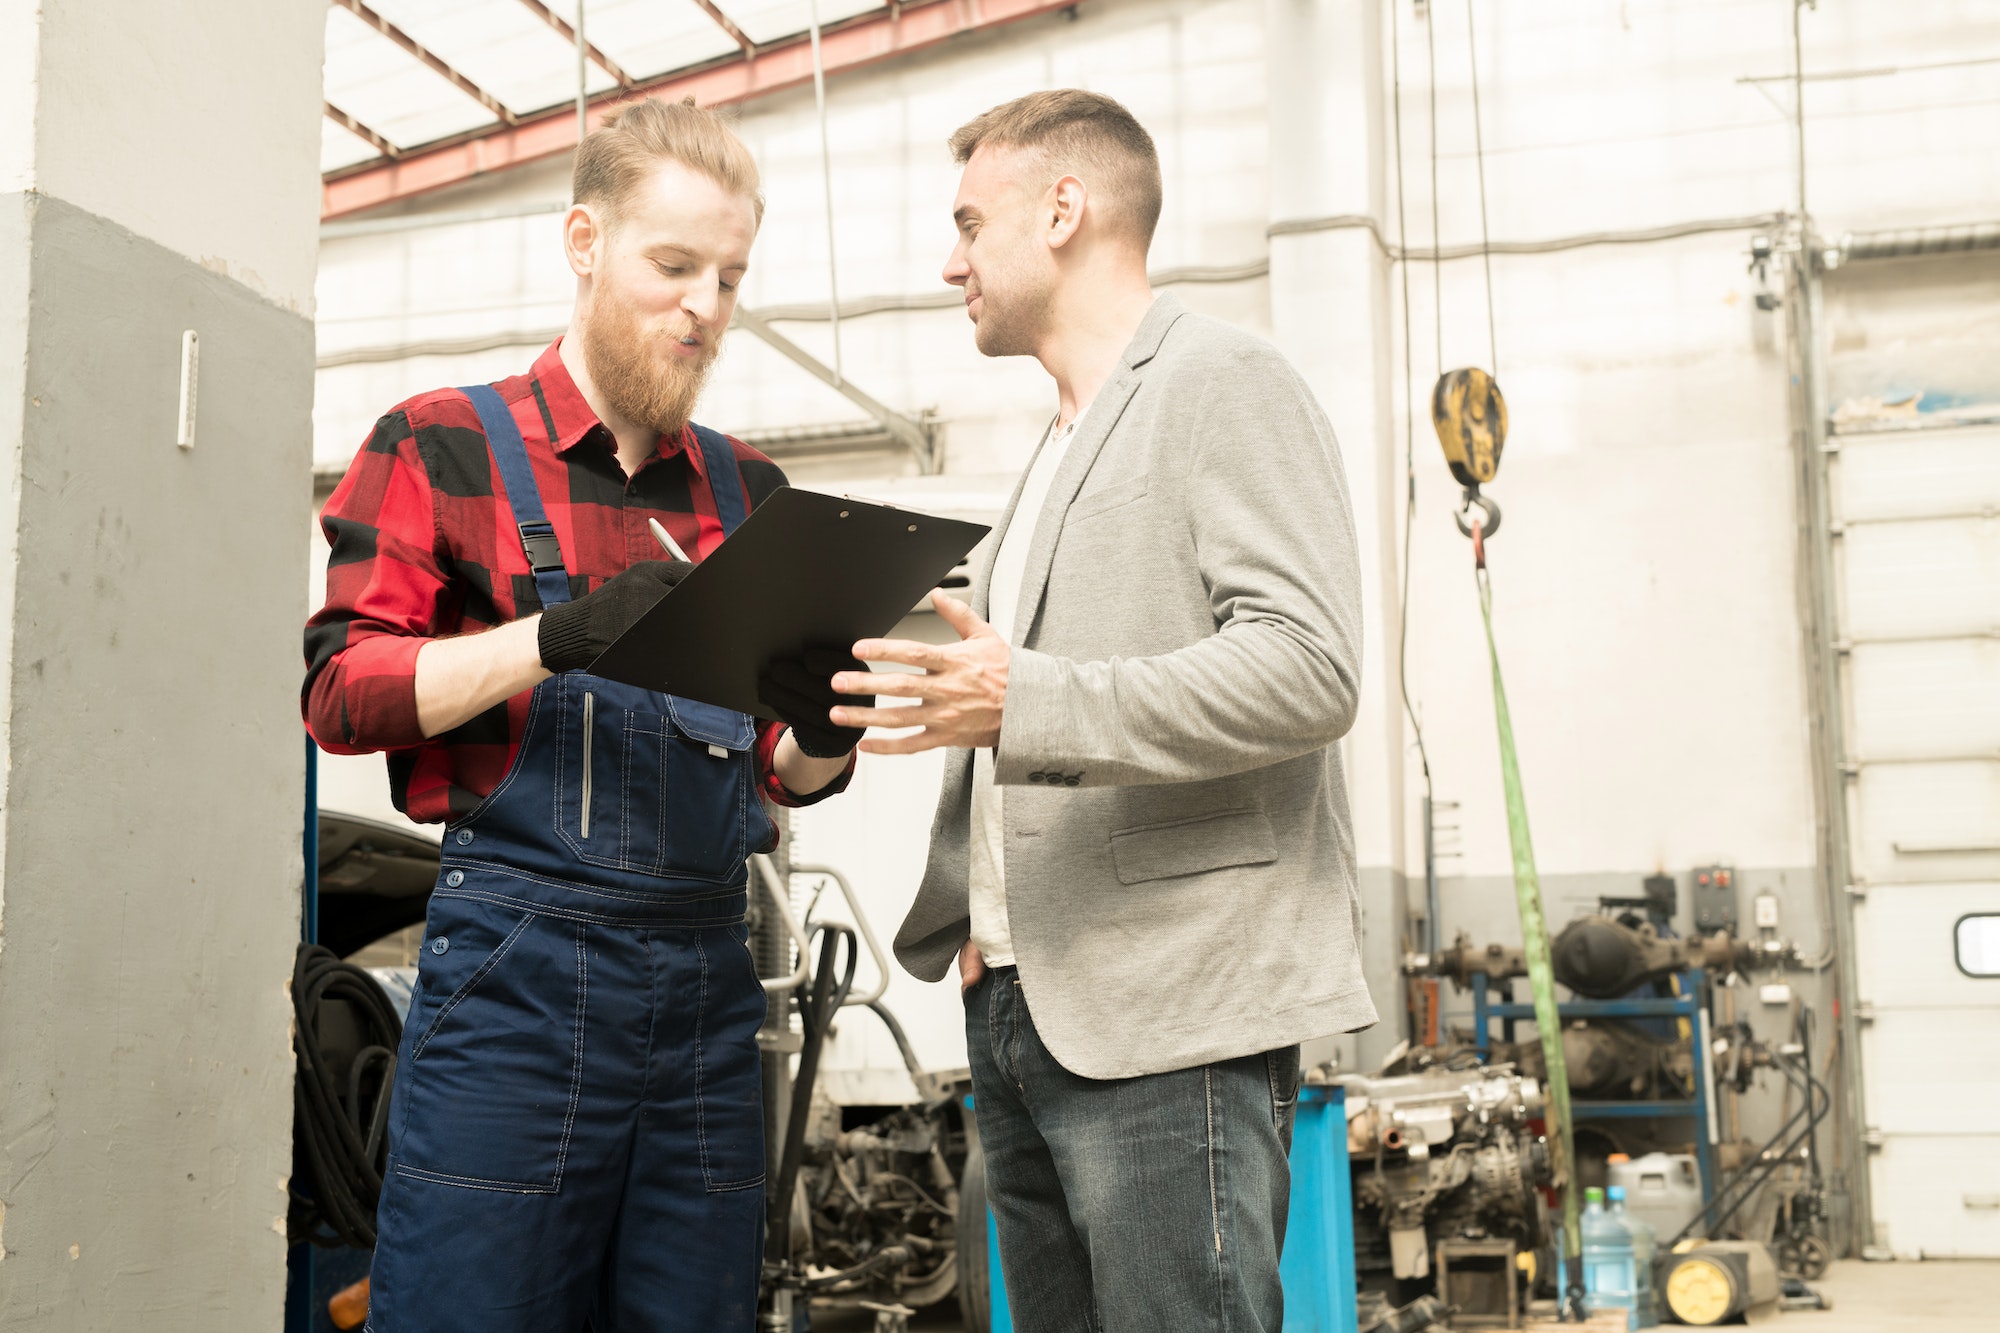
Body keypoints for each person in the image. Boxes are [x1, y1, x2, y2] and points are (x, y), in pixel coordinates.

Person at [302, 97, 864, 1332]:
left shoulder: (748, 492)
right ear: (583, 242)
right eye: (673, 268)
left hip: (709, 991)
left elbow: (776, 769)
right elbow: (342, 694)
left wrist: (829, 725)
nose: (703, 309)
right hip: (514, 983)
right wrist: (549, 640)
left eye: (728, 278)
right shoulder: (439, 445)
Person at [827, 90, 1376, 1332]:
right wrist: (980, 922)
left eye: (971, 221)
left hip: (1165, 1010)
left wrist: (1027, 694)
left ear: (1063, 209)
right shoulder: (1056, 448)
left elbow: (1308, 667)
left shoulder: (1223, 382)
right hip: (1024, 1004)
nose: (949, 259)